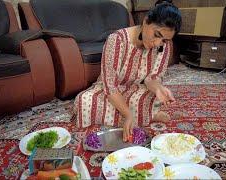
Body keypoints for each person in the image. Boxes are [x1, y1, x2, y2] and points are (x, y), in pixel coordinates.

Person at [74, 0, 182, 141]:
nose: (157, 43)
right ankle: (147, 115)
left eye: (164, 40)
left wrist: (158, 88)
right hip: (110, 90)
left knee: (150, 96)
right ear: (146, 21)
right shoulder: (116, 40)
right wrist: (128, 114)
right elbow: (110, 86)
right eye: (156, 35)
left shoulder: (164, 46)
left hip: (136, 88)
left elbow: (152, 78)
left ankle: (144, 112)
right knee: (84, 101)